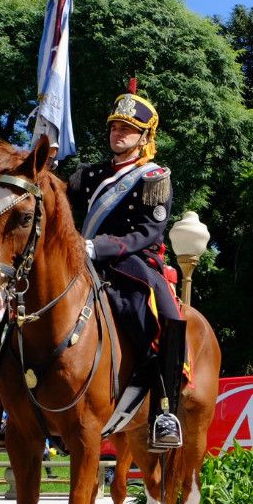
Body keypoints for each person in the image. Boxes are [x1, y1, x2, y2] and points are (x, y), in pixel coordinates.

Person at [67, 81, 185, 451]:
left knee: (168, 315)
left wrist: (98, 247)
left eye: (128, 129)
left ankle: (165, 410)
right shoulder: (86, 176)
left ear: (145, 136)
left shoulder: (154, 178)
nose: (118, 134)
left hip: (130, 261)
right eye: (115, 127)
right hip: (76, 257)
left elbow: (149, 231)